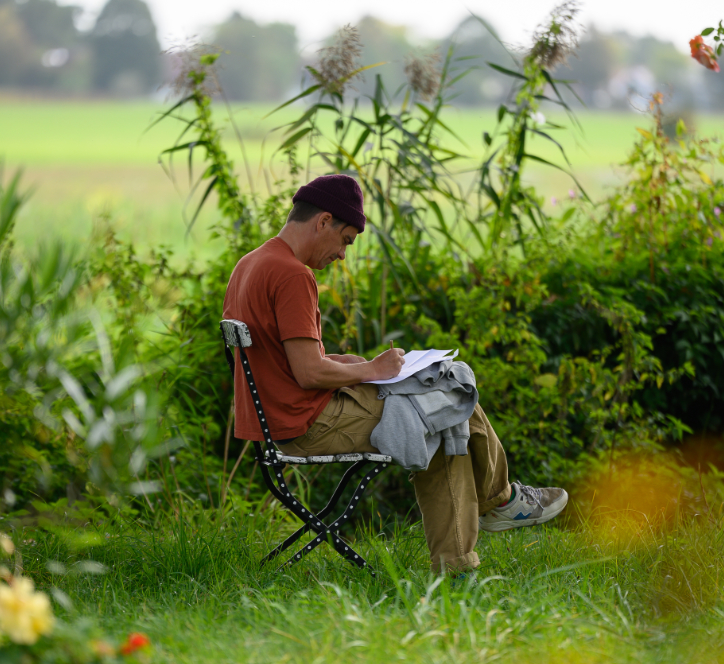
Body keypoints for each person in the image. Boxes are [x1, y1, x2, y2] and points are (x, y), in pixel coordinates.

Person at [222, 173, 568, 574]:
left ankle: (492, 514)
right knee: (447, 404)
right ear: (323, 222)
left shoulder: (251, 263)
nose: (342, 255)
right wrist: (372, 368)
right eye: (346, 240)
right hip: (306, 424)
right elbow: (307, 373)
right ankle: (485, 525)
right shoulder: (295, 275)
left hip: (276, 420)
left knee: (442, 395)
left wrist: (344, 364)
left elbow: (282, 359)